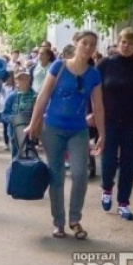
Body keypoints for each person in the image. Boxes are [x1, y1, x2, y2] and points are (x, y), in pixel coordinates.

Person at [25, 30, 105, 239]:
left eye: (92, 45)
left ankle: (75, 219)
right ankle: (59, 222)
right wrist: (33, 124)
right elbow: (43, 96)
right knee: (57, 175)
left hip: (78, 130)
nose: (88, 48)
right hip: (52, 129)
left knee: (80, 174)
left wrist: (102, 134)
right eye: (84, 43)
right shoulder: (58, 66)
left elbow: (98, 106)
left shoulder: (93, 74)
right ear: (75, 43)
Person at [96, 28, 133, 221]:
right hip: (109, 121)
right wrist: (91, 116)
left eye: (130, 43)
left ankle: (124, 202)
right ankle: (107, 189)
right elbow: (93, 92)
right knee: (109, 159)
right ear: (118, 42)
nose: (126, 46)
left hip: (132, 122)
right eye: (123, 42)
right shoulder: (105, 65)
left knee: (129, 163)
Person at [1, 67, 37, 157]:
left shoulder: (35, 96)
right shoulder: (12, 96)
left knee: (29, 156)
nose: (23, 81)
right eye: (20, 79)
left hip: (29, 131)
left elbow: (38, 113)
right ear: (16, 80)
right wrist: (14, 120)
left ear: (29, 79)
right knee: (15, 156)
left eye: (26, 78)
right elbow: (4, 114)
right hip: (14, 132)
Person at [0, 72, 16, 150]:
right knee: (4, 127)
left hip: (12, 110)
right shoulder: (2, 87)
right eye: (7, 78)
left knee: (12, 127)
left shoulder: (14, 88)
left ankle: (13, 141)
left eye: (10, 78)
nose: (8, 79)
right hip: (3, 109)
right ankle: (6, 143)